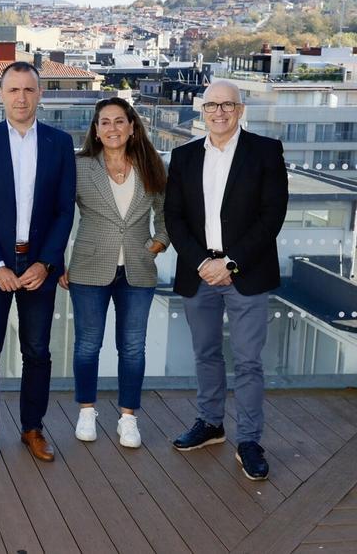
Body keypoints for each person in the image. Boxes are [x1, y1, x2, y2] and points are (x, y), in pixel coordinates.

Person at [164, 79, 287, 480]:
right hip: (199, 272)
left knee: (249, 362)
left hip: (246, 273)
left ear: (241, 109)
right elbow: (174, 218)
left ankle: (249, 440)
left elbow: (272, 216)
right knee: (206, 354)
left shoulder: (265, 152)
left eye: (227, 105)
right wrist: (203, 262)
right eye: (211, 105)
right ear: (202, 110)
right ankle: (211, 424)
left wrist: (230, 263)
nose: (219, 112)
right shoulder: (182, 156)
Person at [0, 61, 75, 463]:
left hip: (38, 265)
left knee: (37, 351)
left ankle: (32, 428)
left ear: (40, 94)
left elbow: (65, 211)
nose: (21, 97)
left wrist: (45, 264)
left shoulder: (60, 143)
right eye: (13, 90)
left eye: (29, 89)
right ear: (1, 95)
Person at [57, 97, 168, 448]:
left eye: (119, 121)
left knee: (133, 347)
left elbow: (167, 216)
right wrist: (57, 259)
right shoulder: (80, 167)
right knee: (88, 345)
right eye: (104, 122)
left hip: (138, 268)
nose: (112, 128)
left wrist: (158, 244)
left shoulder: (151, 165)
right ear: (96, 129)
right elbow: (59, 216)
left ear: (132, 126)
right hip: (89, 267)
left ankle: (128, 418)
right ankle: (87, 411)